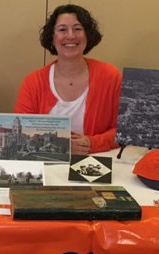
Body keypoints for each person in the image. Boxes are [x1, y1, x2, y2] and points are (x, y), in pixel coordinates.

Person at [14, 4, 122, 154]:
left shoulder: (111, 77)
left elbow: (122, 130)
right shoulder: (32, 82)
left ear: (87, 35)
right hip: (47, 166)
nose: (70, 36)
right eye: (62, 29)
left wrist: (92, 143)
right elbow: (23, 134)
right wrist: (61, 149)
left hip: (97, 163)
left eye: (78, 29)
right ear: (52, 37)